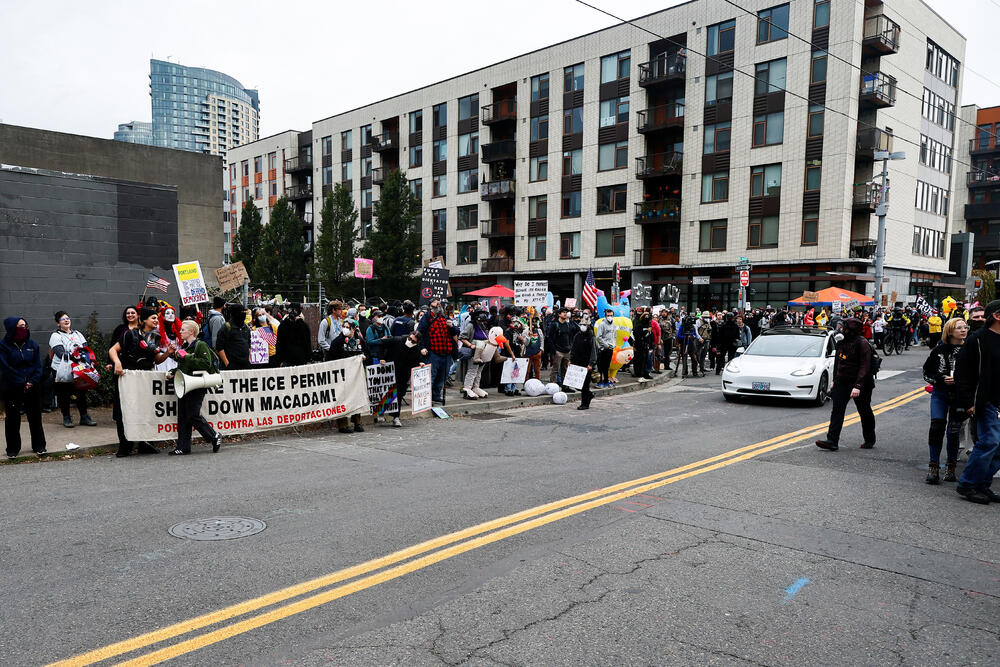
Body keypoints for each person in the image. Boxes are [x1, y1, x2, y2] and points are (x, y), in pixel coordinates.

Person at [953, 300, 1000, 504]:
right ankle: (968, 484)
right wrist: (968, 401)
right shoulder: (977, 340)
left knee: (998, 446)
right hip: (985, 400)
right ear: (996, 316)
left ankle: (982, 484)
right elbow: (963, 373)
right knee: (990, 441)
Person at [108, 308, 172, 457]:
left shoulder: (155, 337)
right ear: (144, 320)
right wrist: (117, 363)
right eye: (153, 318)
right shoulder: (130, 334)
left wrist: (167, 353)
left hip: (145, 379)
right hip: (128, 378)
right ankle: (125, 446)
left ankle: (144, 444)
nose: (156, 321)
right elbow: (113, 350)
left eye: (157, 318)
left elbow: (156, 359)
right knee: (123, 410)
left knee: (144, 410)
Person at [816, 318, 876, 451]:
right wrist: (834, 380)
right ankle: (832, 440)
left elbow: (864, 367)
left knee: (864, 411)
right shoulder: (841, 341)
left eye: (842, 327)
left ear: (851, 329)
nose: (839, 329)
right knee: (837, 410)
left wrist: (858, 386)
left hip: (861, 383)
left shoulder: (862, 344)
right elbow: (838, 362)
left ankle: (869, 439)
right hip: (842, 381)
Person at [922, 318, 968, 484]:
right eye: (959, 328)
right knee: (936, 427)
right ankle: (933, 467)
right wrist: (941, 379)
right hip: (940, 394)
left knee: (954, 431)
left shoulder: (970, 349)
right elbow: (927, 373)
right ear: (950, 331)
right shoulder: (938, 350)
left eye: (965, 327)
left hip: (960, 396)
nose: (963, 330)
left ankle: (951, 467)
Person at [165, 320, 222, 455]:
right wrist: (173, 372)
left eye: (183, 330)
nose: (180, 332)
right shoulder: (185, 347)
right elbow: (183, 367)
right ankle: (183, 447)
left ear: (191, 331)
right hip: (185, 385)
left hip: (197, 385)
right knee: (183, 416)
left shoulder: (200, 345)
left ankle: (213, 436)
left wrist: (187, 357)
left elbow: (205, 364)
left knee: (192, 415)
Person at [1, 317, 47, 458]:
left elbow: (38, 366)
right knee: (13, 418)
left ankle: (39, 445)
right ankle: (13, 449)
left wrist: (32, 381)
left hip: (32, 385)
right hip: (13, 386)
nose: (24, 328)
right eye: (20, 326)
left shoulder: (32, 344)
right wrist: (21, 381)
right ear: (12, 328)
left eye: (25, 325)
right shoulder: (3, 346)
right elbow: (5, 368)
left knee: (35, 416)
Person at [48, 311, 97, 428]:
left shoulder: (78, 334)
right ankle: (67, 417)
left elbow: (86, 350)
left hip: (79, 369)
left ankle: (84, 417)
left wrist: (87, 360)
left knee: (82, 393)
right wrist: (78, 355)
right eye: (62, 319)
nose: (66, 320)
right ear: (58, 323)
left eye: (67, 318)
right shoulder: (56, 336)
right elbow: (60, 353)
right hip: (62, 369)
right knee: (64, 394)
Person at [329, 319, 369, 433]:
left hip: (356, 376)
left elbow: (368, 354)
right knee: (342, 398)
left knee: (357, 397)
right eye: (344, 326)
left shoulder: (360, 340)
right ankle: (343, 424)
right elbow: (330, 359)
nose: (345, 329)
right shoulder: (337, 341)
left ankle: (357, 422)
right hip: (342, 376)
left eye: (348, 327)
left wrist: (364, 357)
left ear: (353, 329)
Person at [380, 331, 424, 427]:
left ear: (417, 343)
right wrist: (381, 357)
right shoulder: (397, 340)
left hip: (403, 374)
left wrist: (420, 363)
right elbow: (382, 344)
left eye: (413, 341)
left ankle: (396, 417)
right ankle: (381, 412)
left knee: (399, 395)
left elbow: (416, 360)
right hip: (390, 371)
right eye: (410, 339)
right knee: (387, 392)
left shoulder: (415, 348)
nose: (410, 342)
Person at [417, 299, 456, 404]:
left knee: (443, 376)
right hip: (433, 352)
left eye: (439, 304)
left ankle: (436, 395)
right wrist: (422, 347)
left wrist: (451, 326)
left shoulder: (445, 317)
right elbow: (419, 333)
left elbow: (456, 331)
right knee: (431, 376)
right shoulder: (426, 318)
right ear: (431, 307)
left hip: (446, 352)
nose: (438, 305)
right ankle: (427, 396)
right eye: (436, 304)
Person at [569, 313, 597, 409]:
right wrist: (571, 360)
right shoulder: (577, 335)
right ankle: (589, 395)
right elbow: (573, 348)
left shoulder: (591, 336)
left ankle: (585, 403)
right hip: (577, 362)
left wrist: (591, 363)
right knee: (578, 384)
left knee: (585, 385)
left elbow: (593, 351)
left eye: (584, 325)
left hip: (586, 363)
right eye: (581, 325)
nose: (582, 327)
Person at [215, 304, 251, 370]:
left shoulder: (246, 328)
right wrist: (227, 363)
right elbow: (219, 347)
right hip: (232, 366)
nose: (244, 314)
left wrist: (248, 360)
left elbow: (248, 345)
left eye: (244, 312)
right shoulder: (226, 327)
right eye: (241, 312)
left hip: (245, 365)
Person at [547, 308, 576, 389]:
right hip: (558, 351)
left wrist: (570, 347)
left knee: (565, 369)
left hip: (567, 350)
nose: (565, 314)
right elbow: (550, 338)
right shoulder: (555, 324)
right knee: (555, 369)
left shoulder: (568, 325)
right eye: (563, 312)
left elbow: (573, 333)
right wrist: (554, 350)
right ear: (559, 314)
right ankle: (551, 386)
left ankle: (565, 386)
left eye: (566, 312)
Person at [595, 308, 616, 387]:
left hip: (610, 348)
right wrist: (605, 345)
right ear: (605, 316)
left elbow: (614, 335)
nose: (609, 317)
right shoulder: (602, 324)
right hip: (603, 348)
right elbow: (598, 337)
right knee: (601, 366)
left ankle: (606, 380)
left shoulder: (613, 324)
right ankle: (600, 381)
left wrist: (614, 344)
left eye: (611, 315)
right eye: (608, 315)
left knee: (607, 366)